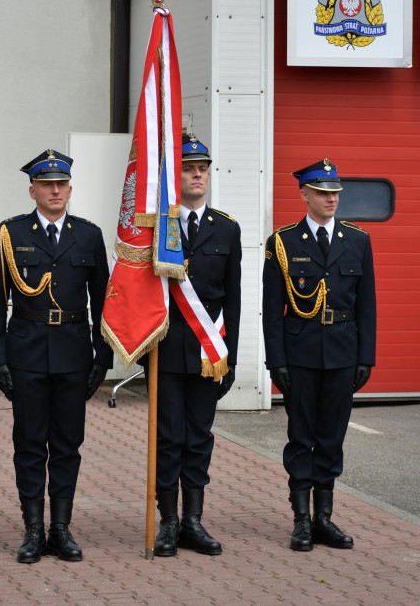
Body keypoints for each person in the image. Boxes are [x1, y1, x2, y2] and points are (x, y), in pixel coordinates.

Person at [0, 149, 112, 564]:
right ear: (32, 190)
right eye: (46, 184)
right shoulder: (9, 234)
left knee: (67, 444)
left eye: (61, 184)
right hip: (26, 353)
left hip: (75, 353)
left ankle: (61, 528)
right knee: (28, 443)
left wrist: (102, 357)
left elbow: (104, 300)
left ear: (70, 189)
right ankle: (33, 530)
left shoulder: (89, 235)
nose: (55, 190)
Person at [261, 159, 376, 552]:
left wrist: (366, 357)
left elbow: (367, 305)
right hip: (300, 353)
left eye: (335, 192)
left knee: (331, 438)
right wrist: (275, 361)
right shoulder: (283, 242)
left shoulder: (358, 240)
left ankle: (323, 518)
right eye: (323, 192)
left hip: (343, 352)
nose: (331, 198)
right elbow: (272, 308)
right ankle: (300, 521)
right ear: (304, 194)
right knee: (301, 437)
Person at [147, 133, 241, 558]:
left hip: (208, 355)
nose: (198, 173)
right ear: (174, 176)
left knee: (199, 437)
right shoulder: (156, 226)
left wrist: (230, 358)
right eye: (189, 167)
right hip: (166, 351)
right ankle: (167, 521)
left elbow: (234, 299)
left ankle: (193, 522)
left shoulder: (227, 227)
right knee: (167, 438)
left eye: (203, 167)